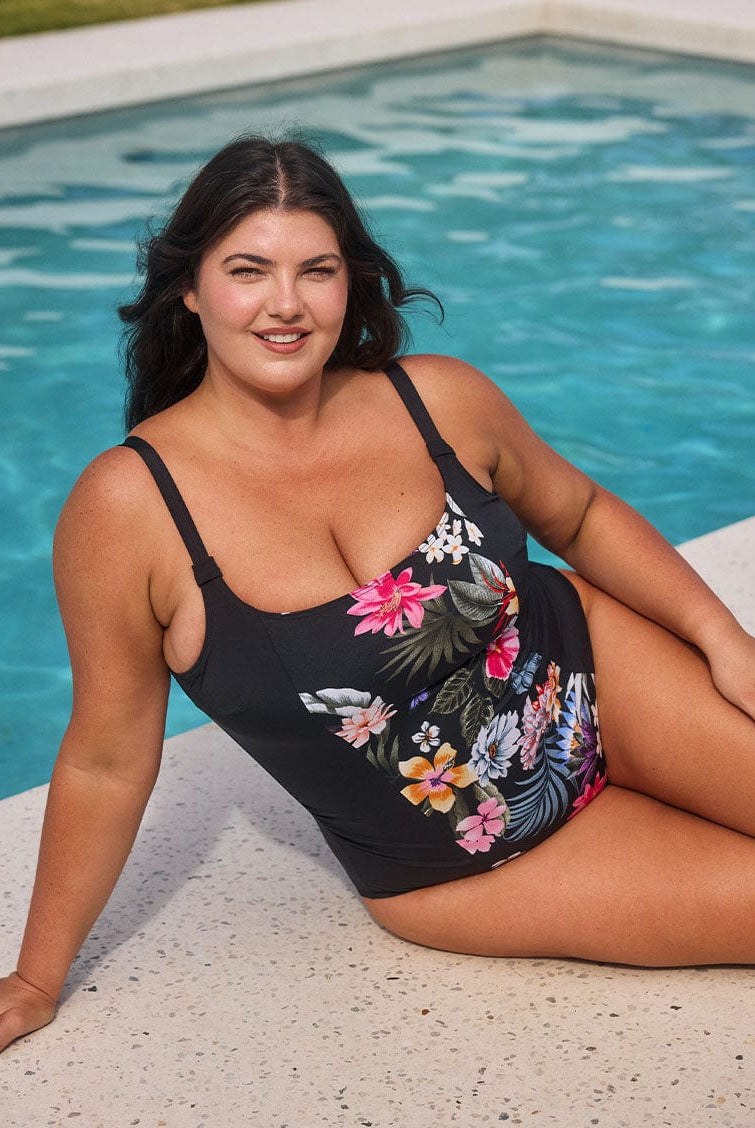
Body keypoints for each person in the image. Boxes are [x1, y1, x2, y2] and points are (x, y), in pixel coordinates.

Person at [1, 135, 754, 1054]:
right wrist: (37, 978)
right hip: (465, 857)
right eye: (248, 270)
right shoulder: (129, 509)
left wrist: (722, 640)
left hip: (602, 683)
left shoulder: (434, 400)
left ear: (350, 284)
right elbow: (106, 758)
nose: (285, 304)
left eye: (315, 270)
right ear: (189, 289)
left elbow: (582, 515)